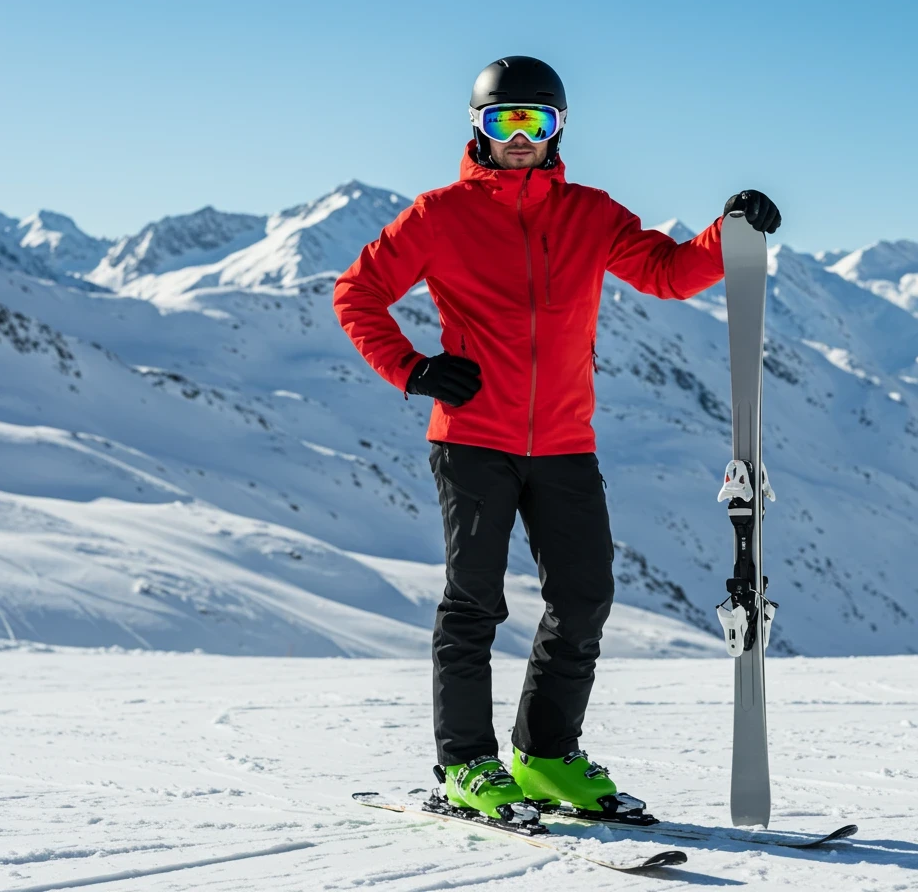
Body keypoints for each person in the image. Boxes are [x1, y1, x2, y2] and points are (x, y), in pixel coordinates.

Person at [333, 56, 781, 825]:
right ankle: (466, 764)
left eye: (534, 122)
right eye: (502, 121)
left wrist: (727, 234)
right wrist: (411, 369)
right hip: (473, 438)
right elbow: (358, 292)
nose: (518, 137)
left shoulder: (590, 212)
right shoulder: (438, 216)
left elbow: (667, 273)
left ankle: (544, 757)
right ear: (477, 128)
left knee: (584, 597)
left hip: (566, 441)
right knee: (474, 602)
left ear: (558, 130)